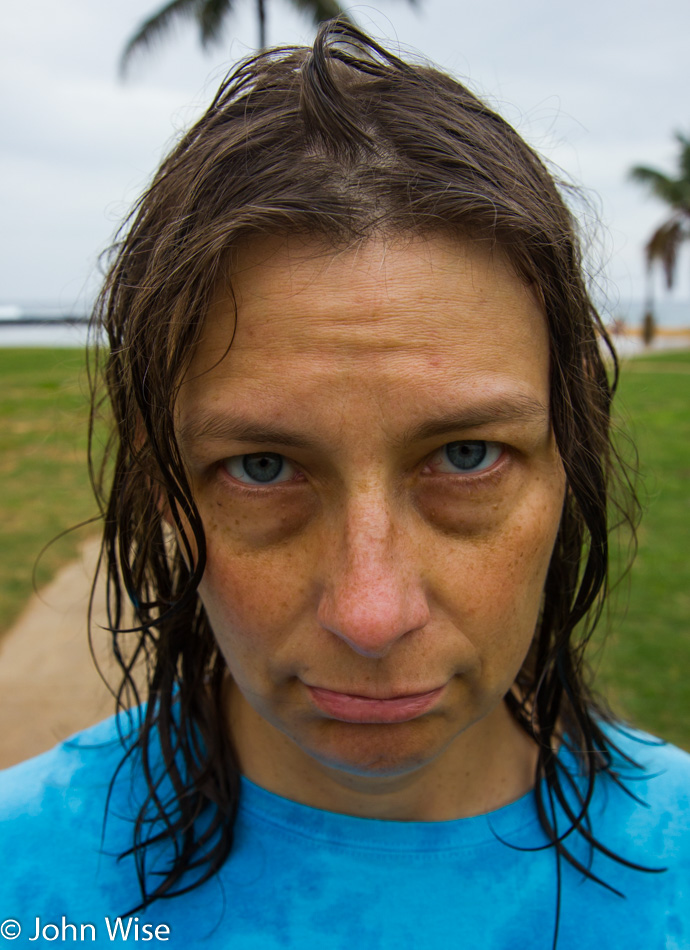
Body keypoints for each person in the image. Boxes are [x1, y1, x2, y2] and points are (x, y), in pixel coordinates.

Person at [1, 20, 688, 949]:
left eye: (466, 456)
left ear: (572, 452)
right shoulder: (26, 884)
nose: (371, 615)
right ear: (163, 479)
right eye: (262, 468)